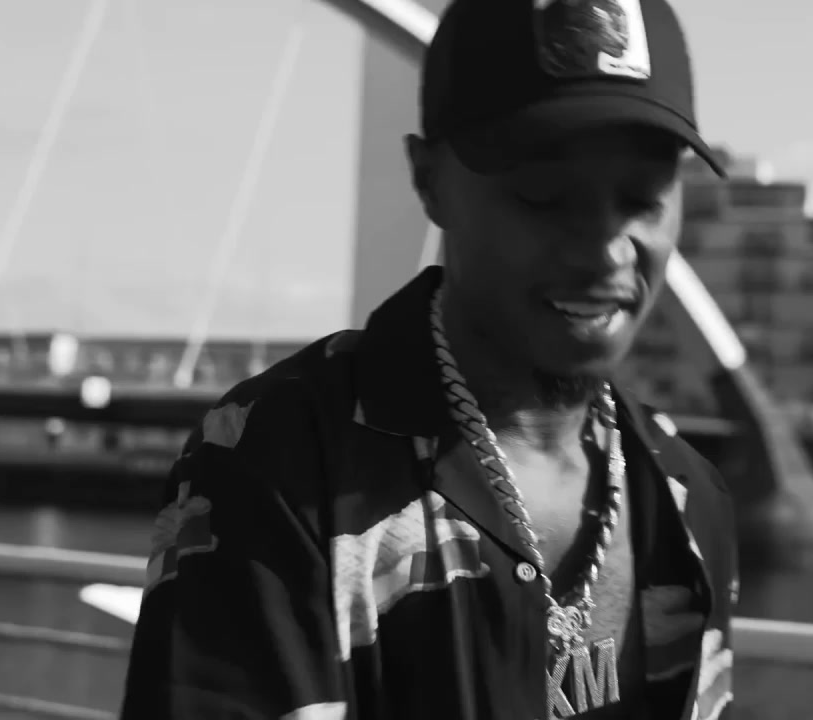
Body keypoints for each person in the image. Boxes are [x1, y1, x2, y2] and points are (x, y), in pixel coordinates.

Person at [119, 0, 739, 717]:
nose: (605, 249)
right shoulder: (277, 460)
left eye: (641, 198)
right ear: (428, 180)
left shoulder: (689, 497)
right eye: (544, 197)